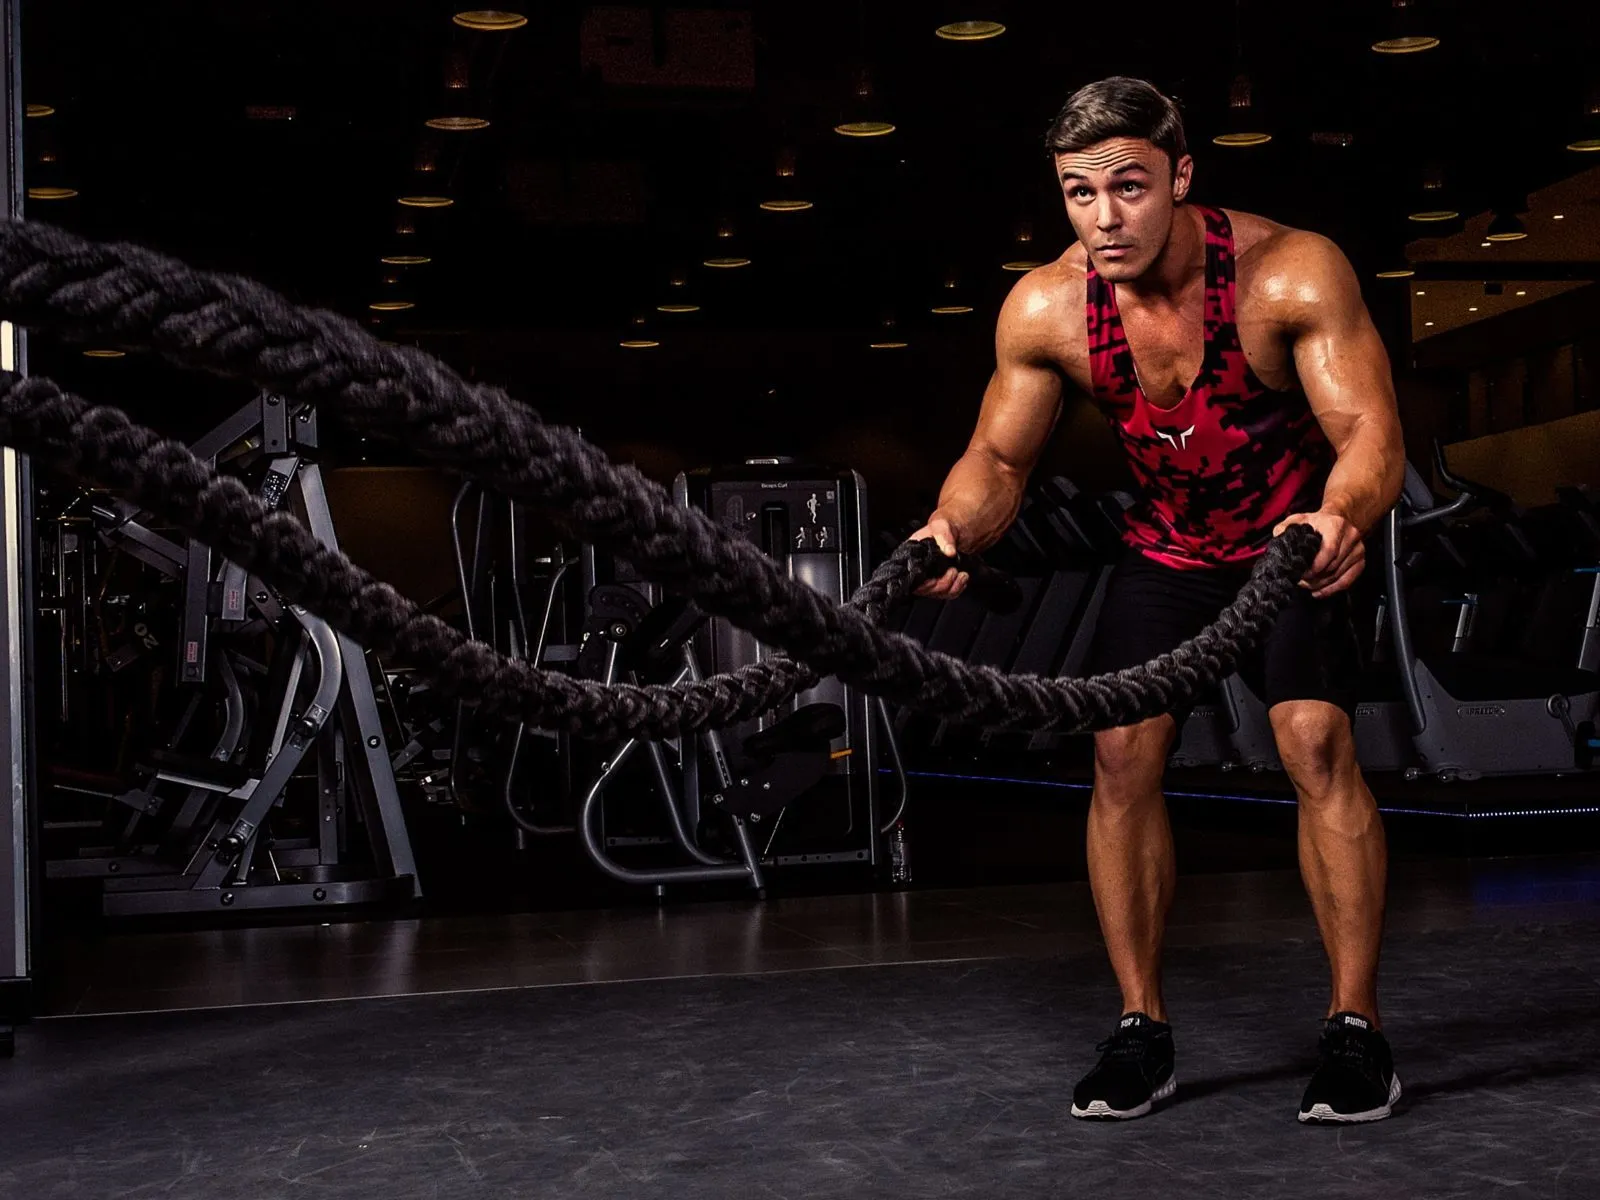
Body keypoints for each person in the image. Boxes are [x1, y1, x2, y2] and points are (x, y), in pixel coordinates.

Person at [911, 76, 1407, 1124]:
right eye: (1078, 194)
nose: (1103, 218)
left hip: (1290, 541)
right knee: (1120, 751)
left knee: (1314, 742)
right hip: (1171, 549)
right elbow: (998, 455)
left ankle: (1356, 1031)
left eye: (1127, 188)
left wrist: (1340, 516)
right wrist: (952, 526)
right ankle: (1141, 1029)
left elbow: (1367, 434)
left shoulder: (1286, 275)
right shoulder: (1048, 304)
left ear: (1180, 177)